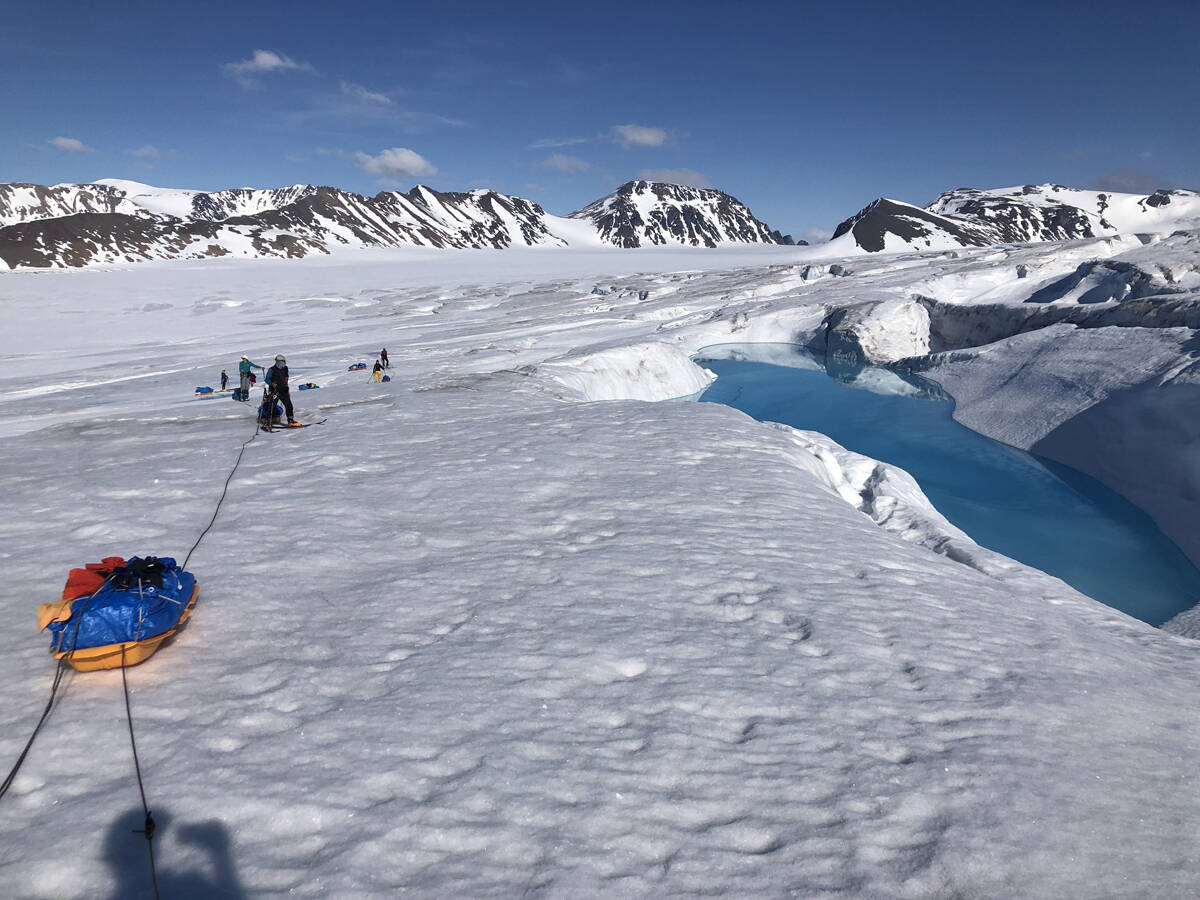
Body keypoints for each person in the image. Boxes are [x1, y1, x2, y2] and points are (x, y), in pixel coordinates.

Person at [264, 354, 296, 425]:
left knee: (289, 406)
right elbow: (266, 379)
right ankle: (268, 421)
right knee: (272, 406)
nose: (284, 363)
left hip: (284, 391)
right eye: (283, 361)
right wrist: (272, 383)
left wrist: (287, 389)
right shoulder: (271, 369)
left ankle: (290, 420)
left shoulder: (285, 368)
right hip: (275, 391)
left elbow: (286, 379)